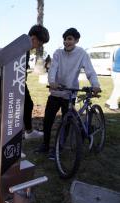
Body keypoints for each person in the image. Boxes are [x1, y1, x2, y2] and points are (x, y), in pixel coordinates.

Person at [35, 28, 101, 158]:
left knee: (67, 122)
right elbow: (53, 69)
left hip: (70, 94)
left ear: (76, 40)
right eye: (65, 39)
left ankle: (59, 148)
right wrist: (52, 82)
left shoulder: (82, 53)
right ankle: (45, 145)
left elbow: (90, 71)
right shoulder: (58, 53)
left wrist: (96, 85)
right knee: (48, 120)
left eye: (70, 39)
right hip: (56, 92)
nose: (67, 42)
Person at [24, 24, 50, 139]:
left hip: (19, 83)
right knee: (18, 108)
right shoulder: (22, 48)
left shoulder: (26, 49)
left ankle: (28, 132)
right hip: (13, 84)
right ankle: (16, 138)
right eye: (40, 43)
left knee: (28, 105)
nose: (39, 46)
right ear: (33, 38)